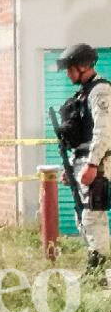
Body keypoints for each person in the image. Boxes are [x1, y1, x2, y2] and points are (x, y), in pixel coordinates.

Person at [54, 43, 111, 271]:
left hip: (98, 165)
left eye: (71, 68)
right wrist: (72, 169)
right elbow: (80, 138)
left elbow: (103, 132)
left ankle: (100, 270)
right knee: (82, 217)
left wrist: (92, 164)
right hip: (85, 163)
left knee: (92, 218)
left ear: (84, 66)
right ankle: (95, 265)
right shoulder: (83, 93)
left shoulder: (101, 91)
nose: (68, 73)